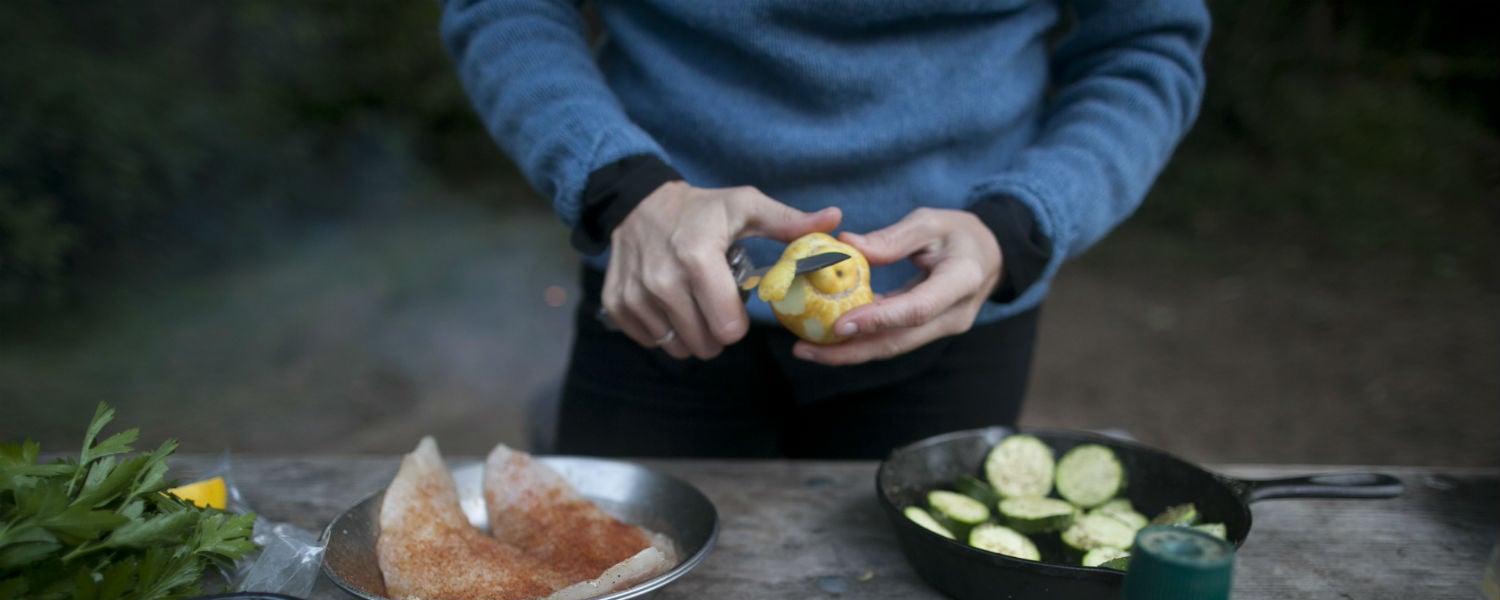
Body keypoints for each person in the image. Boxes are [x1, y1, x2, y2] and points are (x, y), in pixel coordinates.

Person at [440, 1, 1210, 459]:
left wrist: (1021, 227)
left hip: (953, 327)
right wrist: (621, 186)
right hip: (658, 284)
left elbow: (1146, 44)